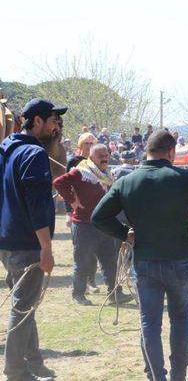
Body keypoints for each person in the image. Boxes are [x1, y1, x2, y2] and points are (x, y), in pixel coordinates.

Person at [91, 131, 188, 381]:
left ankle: (156, 377)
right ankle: (178, 377)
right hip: (180, 261)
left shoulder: (126, 181)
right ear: (171, 152)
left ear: (147, 151)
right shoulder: (184, 178)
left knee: (149, 325)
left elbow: (98, 217)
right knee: (180, 320)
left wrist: (123, 233)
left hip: (145, 263)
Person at [0, 98, 65, 380]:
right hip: (27, 243)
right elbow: (37, 205)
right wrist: (47, 249)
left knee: (24, 303)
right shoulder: (34, 154)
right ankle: (15, 371)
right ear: (37, 121)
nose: (56, 127)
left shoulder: (5, 149)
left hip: (7, 241)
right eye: (53, 121)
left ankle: (34, 361)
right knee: (23, 307)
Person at [53, 144, 133, 306]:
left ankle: (114, 294)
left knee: (110, 261)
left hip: (104, 224)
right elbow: (59, 182)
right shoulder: (81, 171)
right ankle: (78, 294)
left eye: (106, 155)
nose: (105, 158)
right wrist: (72, 200)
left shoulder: (104, 174)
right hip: (84, 225)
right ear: (91, 157)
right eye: (100, 155)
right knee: (82, 262)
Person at [65, 132, 101, 294]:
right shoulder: (73, 162)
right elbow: (67, 188)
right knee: (81, 251)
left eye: (92, 143)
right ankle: (80, 286)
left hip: (96, 213)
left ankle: (91, 281)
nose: (90, 145)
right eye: (87, 143)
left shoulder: (99, 162)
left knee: (94, 250)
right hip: (79, 213)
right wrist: (68, 211)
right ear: (80, 146)